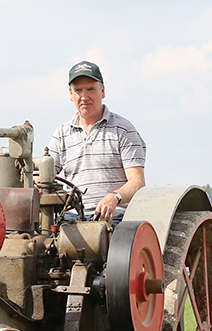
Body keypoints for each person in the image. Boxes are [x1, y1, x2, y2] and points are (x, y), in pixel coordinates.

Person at [49, 60, 146, 224]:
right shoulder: (62, 134)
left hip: (114, 217)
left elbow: (138, 182)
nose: (84, 97)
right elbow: (43, 178)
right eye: (78, 90)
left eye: (91, 89)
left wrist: (114, 197)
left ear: (102, 91)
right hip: (72, 219)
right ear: (71, 95)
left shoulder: (123, 130)